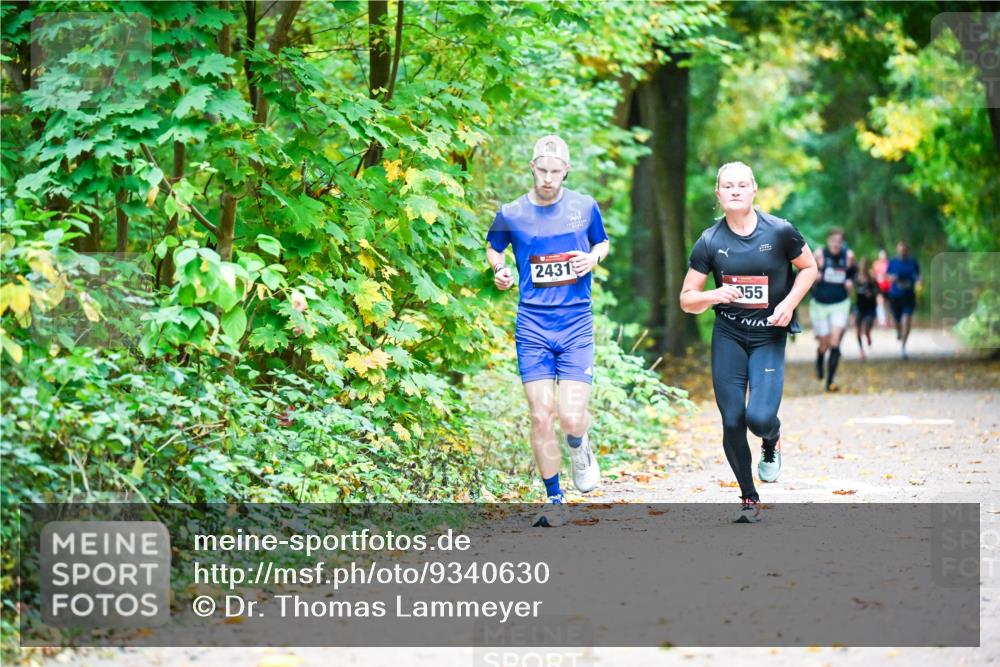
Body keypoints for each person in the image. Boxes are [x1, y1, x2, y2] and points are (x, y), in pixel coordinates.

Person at [680, 161, 817, 523]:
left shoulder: (781, 231)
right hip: (728, 336)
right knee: (731, 420)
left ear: (754, 190)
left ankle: (771, 441)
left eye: (742, 185)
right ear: (719, 194)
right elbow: (687, 299)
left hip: (768, 334)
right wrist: (716, 295)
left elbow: (810, 267)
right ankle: (749, 497)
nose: (736, 190)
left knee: (759, 418)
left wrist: (788, 304)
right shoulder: (710, 241)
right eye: (728, 186)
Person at [486, 135, 609, 528]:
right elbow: (494, 246)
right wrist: (499, 270)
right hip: (533, 325)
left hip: (575, 323)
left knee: (571, 417)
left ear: (566, 171)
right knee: (541, 416)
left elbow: (602, 242)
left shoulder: (584, 207)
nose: (549, 179)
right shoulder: (512, 212)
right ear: (532, 168)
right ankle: (554, 498)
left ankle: (579, 444)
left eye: (556, 172)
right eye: (542, 171)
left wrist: (592, 258)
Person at [809, 229, 855, 392]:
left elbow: (853, 273)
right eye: (833, 240)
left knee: (835, 342)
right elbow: (805, 272)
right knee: (824, 343)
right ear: (828, 240)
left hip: (840, 303)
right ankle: (820, 357)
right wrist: (815, 276)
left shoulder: (848, 256)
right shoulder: (819, 254)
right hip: (820, 303)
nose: (836, 243)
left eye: (839, 240)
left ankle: (830, 381)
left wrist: (850, 280)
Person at [886, 241, 921, 360]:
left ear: (907, 251)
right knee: (896, 320)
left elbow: (918, 276)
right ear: (897, 251)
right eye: (900, 250)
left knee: (907, 320)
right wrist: (892, 278)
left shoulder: (913, 262)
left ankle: (903, 347)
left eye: (904, 250)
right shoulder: (893, 262)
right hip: (895, 295)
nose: (902, 252)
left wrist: (919, 281)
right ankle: (898, 331)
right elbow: (886, 276)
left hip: (909, 295)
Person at [853, 256, 879, 361]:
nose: (863, 268)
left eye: (865, 266)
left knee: (867, 328)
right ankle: (861, 351)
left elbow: (878, 291)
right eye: (861, 265)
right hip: (859, 307)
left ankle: (868, 334)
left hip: (870, 307)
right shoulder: (856, 278)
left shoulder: (872, 278)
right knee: (858, 331)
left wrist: (871, 294)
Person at [873, 249, 890, 327]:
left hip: (887, 287)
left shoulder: (889, 264)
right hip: (879, 287)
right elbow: (874, 275)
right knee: (880, 302)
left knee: (887, 304)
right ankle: (882, 321)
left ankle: (887, 320)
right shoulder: (876, 264)